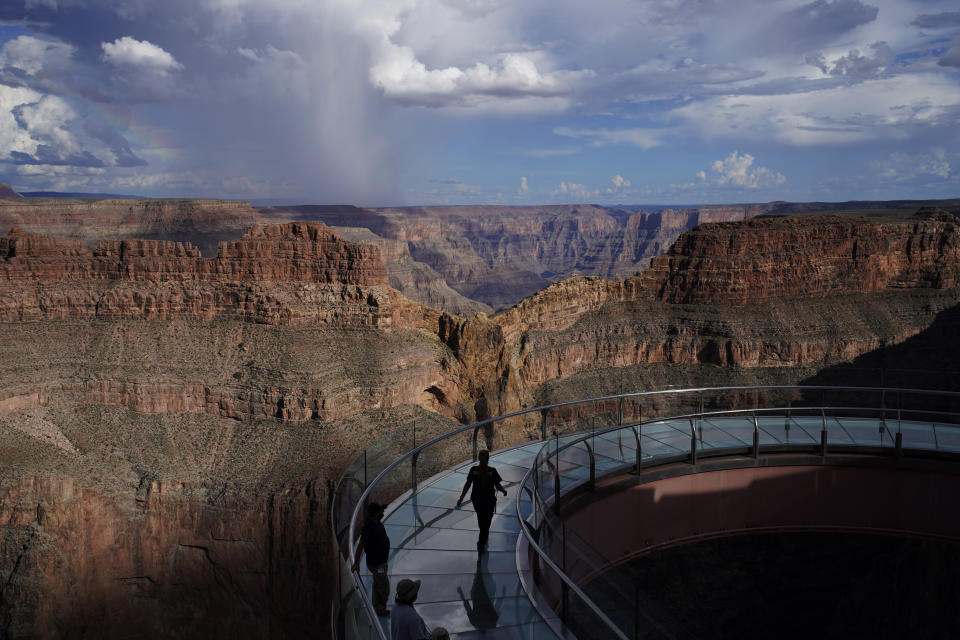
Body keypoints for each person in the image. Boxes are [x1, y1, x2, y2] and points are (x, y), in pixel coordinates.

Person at [456, 449, 508, 552]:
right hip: (489, 501)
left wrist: (461, 497)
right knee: (487, 521)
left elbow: (468, 484)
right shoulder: (492, 471)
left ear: (479, 458)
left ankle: (482, 537)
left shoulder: (473, 470)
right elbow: (498, 486)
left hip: (477, 500)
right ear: (488, 459)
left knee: (481, 519)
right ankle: (481, 542)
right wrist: (504, 491)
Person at [352, 501, 390, 616]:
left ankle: (376, 606)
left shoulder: (376, 522)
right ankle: (380, 608)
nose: (383, 512)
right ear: (376, 513)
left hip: (381, 561)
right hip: (377, 564)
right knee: (383, 586)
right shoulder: (368, 528)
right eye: (381, 511)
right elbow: (360, 546)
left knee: (377, 582)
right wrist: (356, 563)